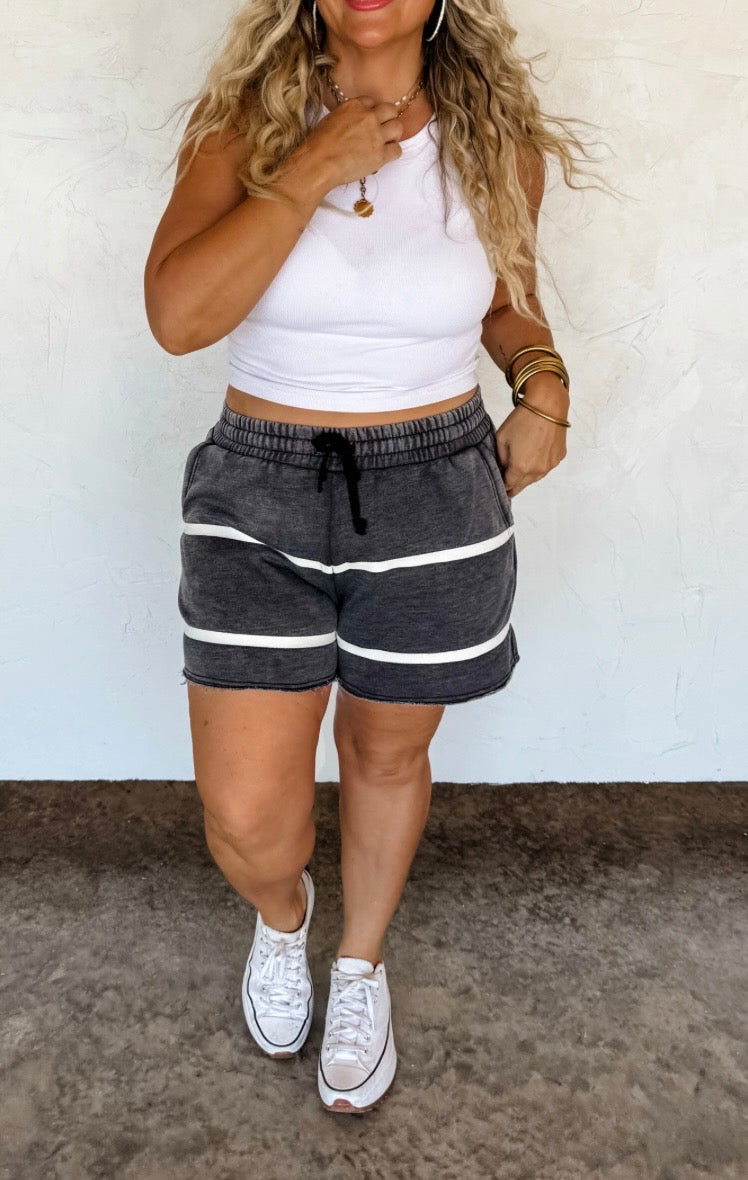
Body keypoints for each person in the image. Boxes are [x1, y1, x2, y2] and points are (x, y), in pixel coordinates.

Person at [145, 0, 590, 1115]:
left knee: (388, 755)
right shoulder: (243, 125)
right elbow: (179, 315)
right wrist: (307, 166)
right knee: (251, 819)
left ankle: (359, 966)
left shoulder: (495, 142)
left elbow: (502, 302)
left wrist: (543, 379)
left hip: (437, 481)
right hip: (259, 482)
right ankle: (284, 919)